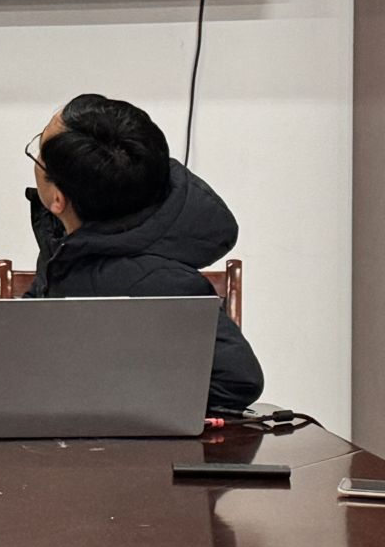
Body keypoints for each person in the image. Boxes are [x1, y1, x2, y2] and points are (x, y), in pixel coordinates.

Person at [25, 93, 264, 411]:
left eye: (39, 153)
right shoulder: (69, 241)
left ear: (58, 199)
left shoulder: (164, 282)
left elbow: (238, 381)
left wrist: (106, 406)